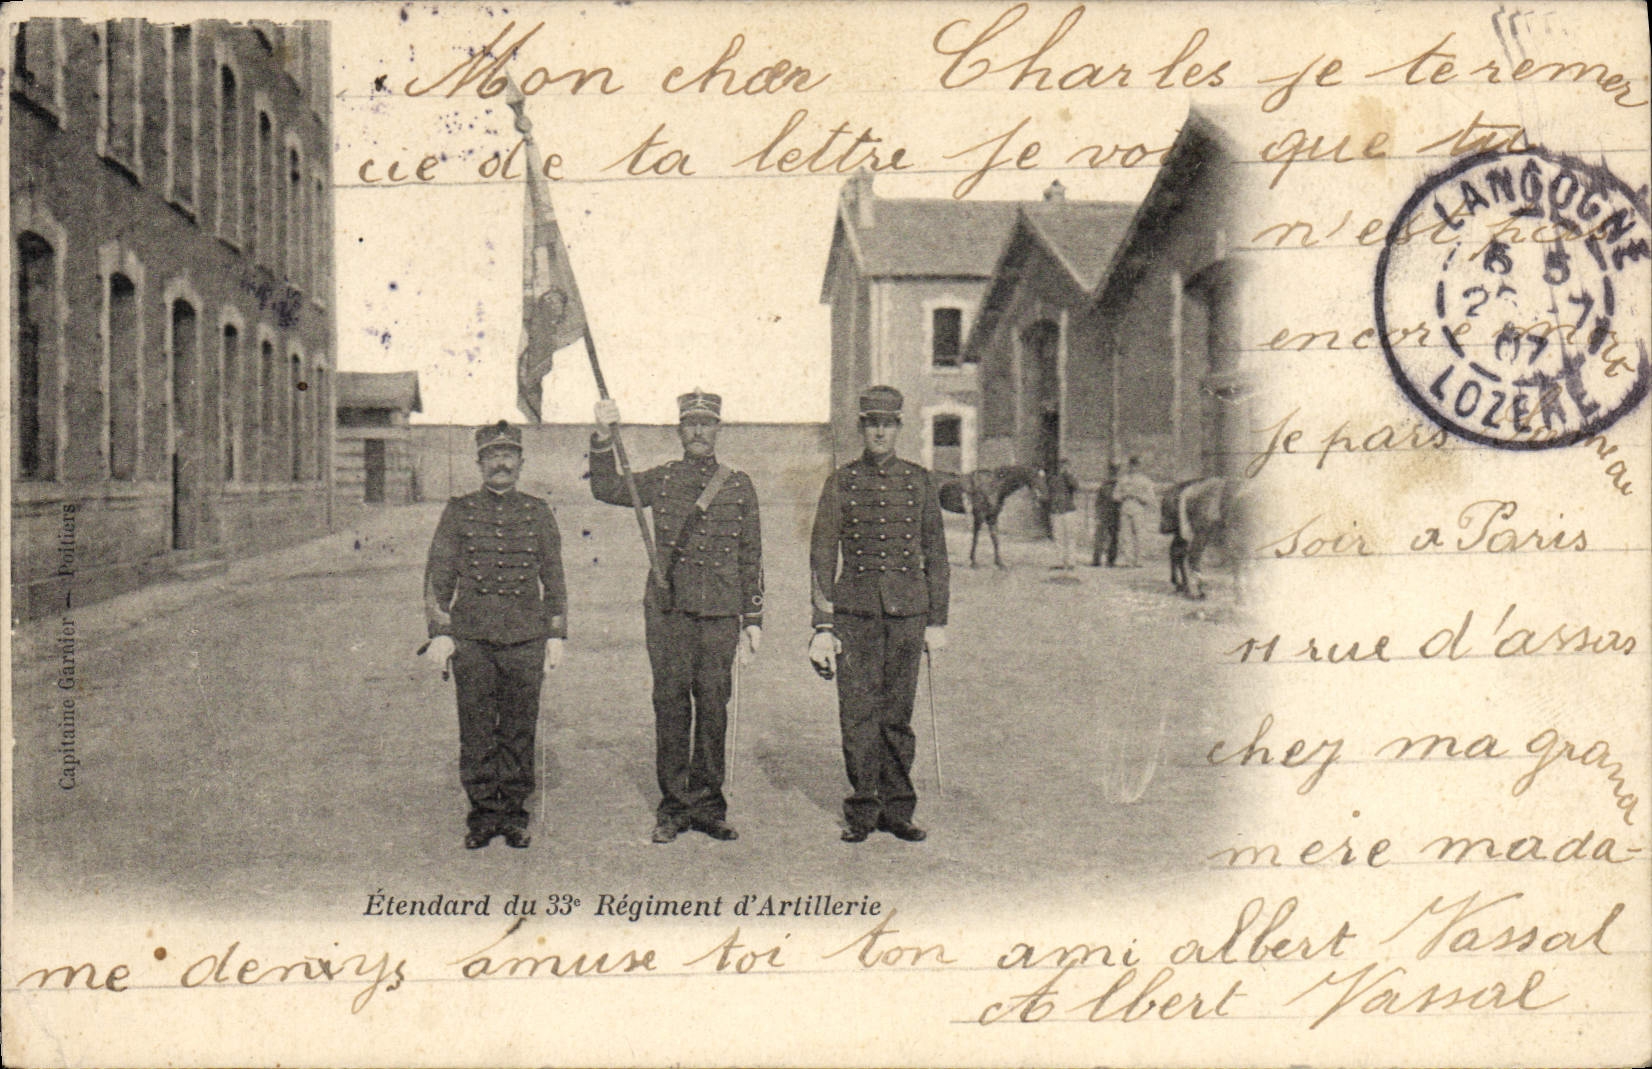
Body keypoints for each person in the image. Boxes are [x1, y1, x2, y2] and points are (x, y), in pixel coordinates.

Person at [589, 389, 762, 844]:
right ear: (680, 430)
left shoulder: (739, 485)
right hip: (670, 612)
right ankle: (673, 808)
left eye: (707, 423)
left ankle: (708, 805)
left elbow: (751, 555)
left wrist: (754, 619)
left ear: (718, 429)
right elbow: (606, 487)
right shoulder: (663, 480)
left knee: (712, 708)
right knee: (670, 706)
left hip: (720, 614)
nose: (699, 431)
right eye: (691, 424)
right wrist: (603, 436)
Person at [808, 386, 949, 844]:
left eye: (887, 424)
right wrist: (823, 625)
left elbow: (937, 554)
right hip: (857, 612)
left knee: (897, 714)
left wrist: (938, 620)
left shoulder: (920, 481)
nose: (880, 432)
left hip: (908, 612)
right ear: (862, 429)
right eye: (872, 424)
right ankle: (863, 809)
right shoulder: (842, 482)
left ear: (899, 428)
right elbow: (822, 554)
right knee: (857, 713)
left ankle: (898, 809)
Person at [423, 421, 566, 850]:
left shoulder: (537, 512)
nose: (500, 463)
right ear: (479, 463)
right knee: (478, 728)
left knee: (520, 728)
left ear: (521, 462)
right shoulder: (459, 511)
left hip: (526, 636)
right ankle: (484, 814)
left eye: (508, 455)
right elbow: (438, 576)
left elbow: (554, 576)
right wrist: (440, 632)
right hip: (474, 638)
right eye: (491, 456)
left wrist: (556, 633)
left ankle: (515, 814)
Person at [1112, 456, 1157, 568]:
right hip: (1126, 508)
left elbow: (1151, 498)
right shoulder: (1123, 479)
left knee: (1139, 535)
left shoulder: (1145, 481)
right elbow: (1115, 496)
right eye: (1131, 465)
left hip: (1138, 509)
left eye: (1135, 465)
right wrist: (1124, 495)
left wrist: (1139, 496)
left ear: (1139, 467)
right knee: (1126, 536)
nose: (1133, 468)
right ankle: (1128, 560)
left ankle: (1139, 560)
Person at [1047, 458, 1080, 571]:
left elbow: (1075, 486)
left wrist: (1068, 475)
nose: (1063, 468)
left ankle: (1071, 561)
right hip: (1056, 510)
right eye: (1061, 466)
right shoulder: (1052, 479)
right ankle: (1060, 561)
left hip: (1068, 510)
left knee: (1070, 536)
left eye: (1065, 466)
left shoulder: (1069, 478)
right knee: (1058, 537)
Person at [1091, 461, 1121, 567]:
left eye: (1115, 471)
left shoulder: (1118, 485)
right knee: (1101, 536)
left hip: (1114, 513)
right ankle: (1098, 560)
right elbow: (1098, 501)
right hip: (1106, 513)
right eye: (1112, 471)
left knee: (1112, 537)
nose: (1113, 474)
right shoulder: (1105, 485)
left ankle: (1110, 560)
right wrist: (1097, 513)